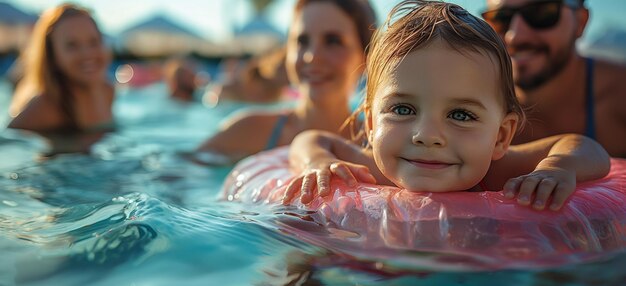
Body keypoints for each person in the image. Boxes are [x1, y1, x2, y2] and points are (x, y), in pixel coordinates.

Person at [281, 0, 610, 211]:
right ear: (370, 123)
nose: (427, 136)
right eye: (403, 109)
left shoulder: (499, 170)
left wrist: (556, 169)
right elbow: (311, 139)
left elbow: (586, 148)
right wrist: (318, 160)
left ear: (500, 136)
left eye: (460, 114)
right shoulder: (373, 169)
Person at [196, 0, 377, 162]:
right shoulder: (248, 131)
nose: (311, 56)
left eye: (333, 41)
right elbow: (178, 174)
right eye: (302, 41)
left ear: (366, 57)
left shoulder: (381, 144)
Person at [481, 0, 626, 157]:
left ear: (580, 22)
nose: (515, 37)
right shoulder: (469, 107)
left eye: (541, 13)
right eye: (500, 18)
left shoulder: (619, 96)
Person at [7, 3, 114, 133]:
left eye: (94, 42)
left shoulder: (107, 90)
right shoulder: (45, 107)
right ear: (52, 55)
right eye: (72, 45)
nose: (87, 54)